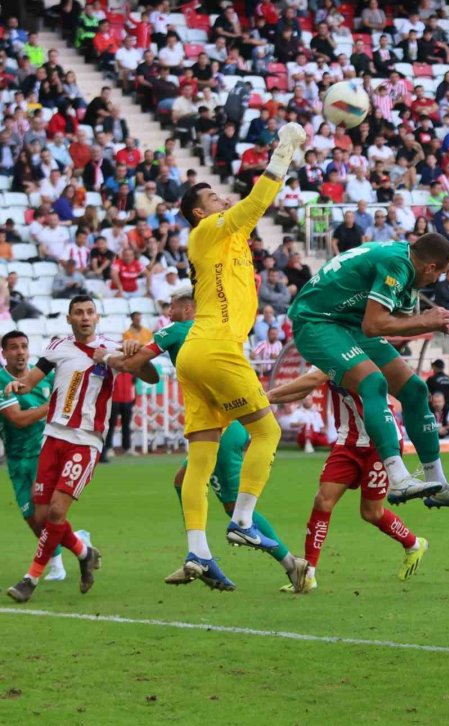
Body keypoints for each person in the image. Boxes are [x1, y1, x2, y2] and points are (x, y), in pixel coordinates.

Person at [172, 121, 309, 589]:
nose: (222, 201)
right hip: (215, 346)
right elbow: (255, 203)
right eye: (212, 198)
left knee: (200, 461)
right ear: (197, 212)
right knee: (267, 431)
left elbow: (244, 213)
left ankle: (197, 551)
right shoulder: (208, 232)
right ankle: (244, 520)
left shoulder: (226, 240)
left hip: (195, 353)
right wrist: (283, 153)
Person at [102, 287, 307, 592]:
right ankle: (203, 556)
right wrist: (134, 352)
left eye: (172, 307)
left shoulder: (176, 328)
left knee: (232, 507)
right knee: (182, 480)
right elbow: (151, 376)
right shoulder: (214, 332)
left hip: (220, 429)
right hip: (231, 422)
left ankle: (291, 563)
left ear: (188, 309)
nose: (167, 313)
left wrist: (107, 354)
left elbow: (131, 368)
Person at [287, 237, 449, 510]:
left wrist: (441, 321)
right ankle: (399, 477)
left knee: (415, 390)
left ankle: (437, 484)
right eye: (440, 272)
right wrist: (427, 319)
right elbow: (374, 324)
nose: (439, 279)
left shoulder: (410, 272)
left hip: (348, 324)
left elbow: (397, 324)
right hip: (317, 322)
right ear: (430, 266)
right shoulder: (397, 263)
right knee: (372, 381)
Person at [5, 296, 158, 602]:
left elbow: (151, 377)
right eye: (79, 312)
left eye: (90, 312)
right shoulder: (58, 346)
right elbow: (32, 380)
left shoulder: (111, 348)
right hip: (52, 437)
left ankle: (30, 579)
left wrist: (136, 355)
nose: (85, 317)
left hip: (85, 441)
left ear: (97, 317)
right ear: (69, 318)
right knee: (43, 514)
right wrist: (15, 386)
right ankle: (84, 552)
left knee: (58, 511)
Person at [267, 368, 428, 593]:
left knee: (371, 513)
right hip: (347, 442)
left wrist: (266, 397)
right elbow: (307, 384)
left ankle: (413, 544)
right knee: (322, 501)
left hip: (380, 441)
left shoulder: (346, 353)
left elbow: (313, 379)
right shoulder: (328, 351)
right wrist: (270, 398)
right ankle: (307, 574)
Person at [0, 331, 67, 583]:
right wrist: (50, 406)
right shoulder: (1, 381)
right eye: (13, 347)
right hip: (17, 459)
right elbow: (17, 420)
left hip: (44, 453)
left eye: (24, 346)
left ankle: (57, 564)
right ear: (4, 353)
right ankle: (78, 540)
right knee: (31, 518)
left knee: (44, 513)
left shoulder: (45, 377)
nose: (20, 352)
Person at [101, 370, 136, 461]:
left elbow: (134, 383)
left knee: (126, 426)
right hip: (113, 399)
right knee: (110, 425)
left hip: (127, 399)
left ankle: (127, 448)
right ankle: (108, 448)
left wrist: (133, 397)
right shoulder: (113, 366)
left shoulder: (131, 369)